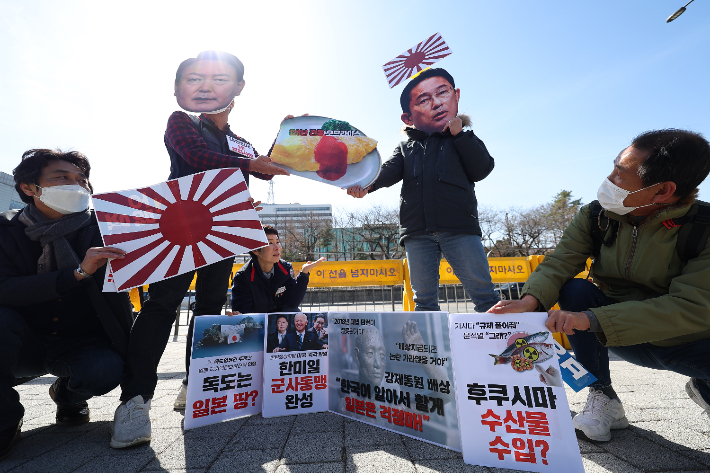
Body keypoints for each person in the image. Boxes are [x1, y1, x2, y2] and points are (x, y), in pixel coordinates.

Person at [111, 50, 290, 448]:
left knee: (210, 310)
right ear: (181, 89)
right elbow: (199, 157)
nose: (207, 86)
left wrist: (288, 136)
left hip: (224, 231)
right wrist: (251, 167)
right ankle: (134, 402)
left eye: (219, 78)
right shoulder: (182, 123)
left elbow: (266, 166)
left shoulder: (241, 141)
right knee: (162, 305)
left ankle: (197, 388)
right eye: (195, 79)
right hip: (180, 226)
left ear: (238, 87)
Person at [489, 129, 710, 442]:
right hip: (615, 333)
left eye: (620, 173)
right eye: (614, 166)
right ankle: (602, 394)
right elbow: (560, 262)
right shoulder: (596, 215)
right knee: (575, 290)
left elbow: (692, 306)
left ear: (662, 191)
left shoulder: (704, 228)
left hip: (683, 342)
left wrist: (591, 320)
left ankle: (705, 387)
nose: (609, 179)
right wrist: (531, 300)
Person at [0, 149, 132, 460]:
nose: (77, 186)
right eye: (62, 178)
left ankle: (67, 396)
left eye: (82, 180)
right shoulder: (5, 231)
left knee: (105, 370)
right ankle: (6, 419)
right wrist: (76, 274)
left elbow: (167, 234)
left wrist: (232, 217)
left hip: (80, 342)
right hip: (22, 342)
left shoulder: (105, 229)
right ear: (29, 188)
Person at [347, 68, 499, 313]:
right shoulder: (407, 147)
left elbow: (482, 169)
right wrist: (367, 186)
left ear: (456, 96)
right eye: (424, 100)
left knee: (486, 296)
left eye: (443, 92)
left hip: (459, 228)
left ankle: (505, 348)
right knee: (424, 302)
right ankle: (431, 351)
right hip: (417, 232)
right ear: (408, 118)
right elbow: (388, 171)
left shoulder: (464, 139)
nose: (437, 103)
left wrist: (460, 134)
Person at [230, 225, 324, 315]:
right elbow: (243, 313)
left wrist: (304, 274)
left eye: (278, 242)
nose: (277, 248)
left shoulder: (286, 268)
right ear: (255, 250)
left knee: (294, 311)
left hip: (281, 323)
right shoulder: (243, 277)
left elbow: (292, 304)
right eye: (270, 243)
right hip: (259, 325)